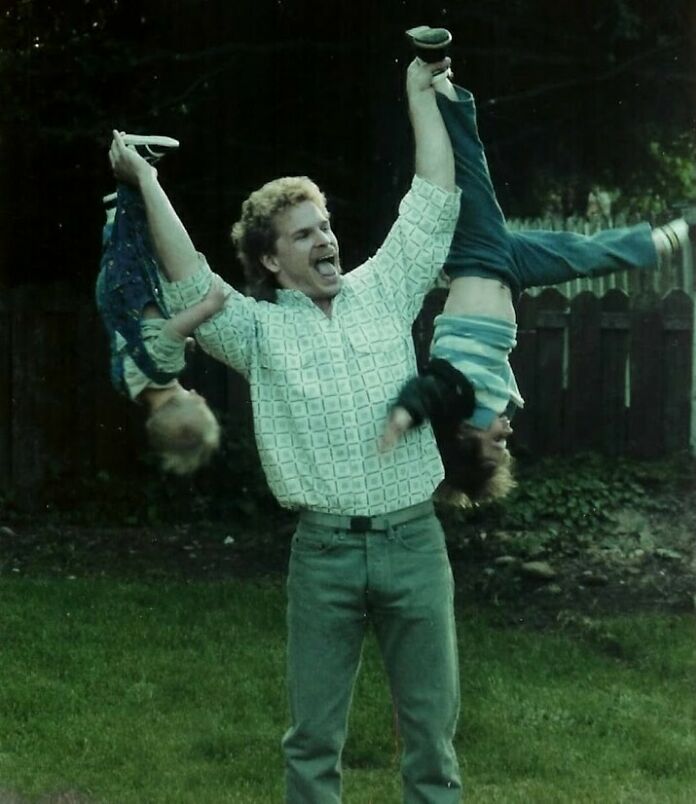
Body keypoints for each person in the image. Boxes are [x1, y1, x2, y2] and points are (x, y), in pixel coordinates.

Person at [108, 55, 464, 802]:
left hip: (415, 545)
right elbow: (191, 280)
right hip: (325, 556)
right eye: (303, 235)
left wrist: (419, 94)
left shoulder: (385, 289)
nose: (325, 240)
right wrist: (146, 181)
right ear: (272, 259)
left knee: (431, 743)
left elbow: (431, 200)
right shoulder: (257, 333)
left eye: (325, 226)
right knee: (311, 745)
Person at [383, 28, 695, 507]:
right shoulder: (484, 404)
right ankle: (664, 239)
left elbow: (425, 390)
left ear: (466, 438)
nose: (507, 431)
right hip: (512, 273)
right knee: (582, 256)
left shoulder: (456, 399)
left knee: (469, 166)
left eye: (498, 442)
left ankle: (434, 77)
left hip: (480, 257)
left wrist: (403, 417)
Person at [97, 137, 227, 475]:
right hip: (113, 296)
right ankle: (114, 208)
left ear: (181, 403)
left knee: (139, 242)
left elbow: (173, 328)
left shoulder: (166, 367)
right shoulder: (130, 387)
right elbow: (146, 345)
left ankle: (133, 164)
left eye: (198, 402)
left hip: (133, 290)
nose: (199, 394)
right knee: (119, 246)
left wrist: (210, 305)